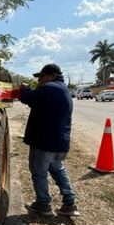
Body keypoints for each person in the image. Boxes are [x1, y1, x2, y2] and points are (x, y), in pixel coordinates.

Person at [19, 63, 79, 216]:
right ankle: (69, 203)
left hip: (44, 142)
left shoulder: (49, 87)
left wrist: (24, 88)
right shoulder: (63, 89)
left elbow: (27, 98)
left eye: (42, 76)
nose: (39, 80)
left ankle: (43, 204)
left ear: (53, 75)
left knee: (39, 172)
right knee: (58, 169)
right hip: (60, 142)